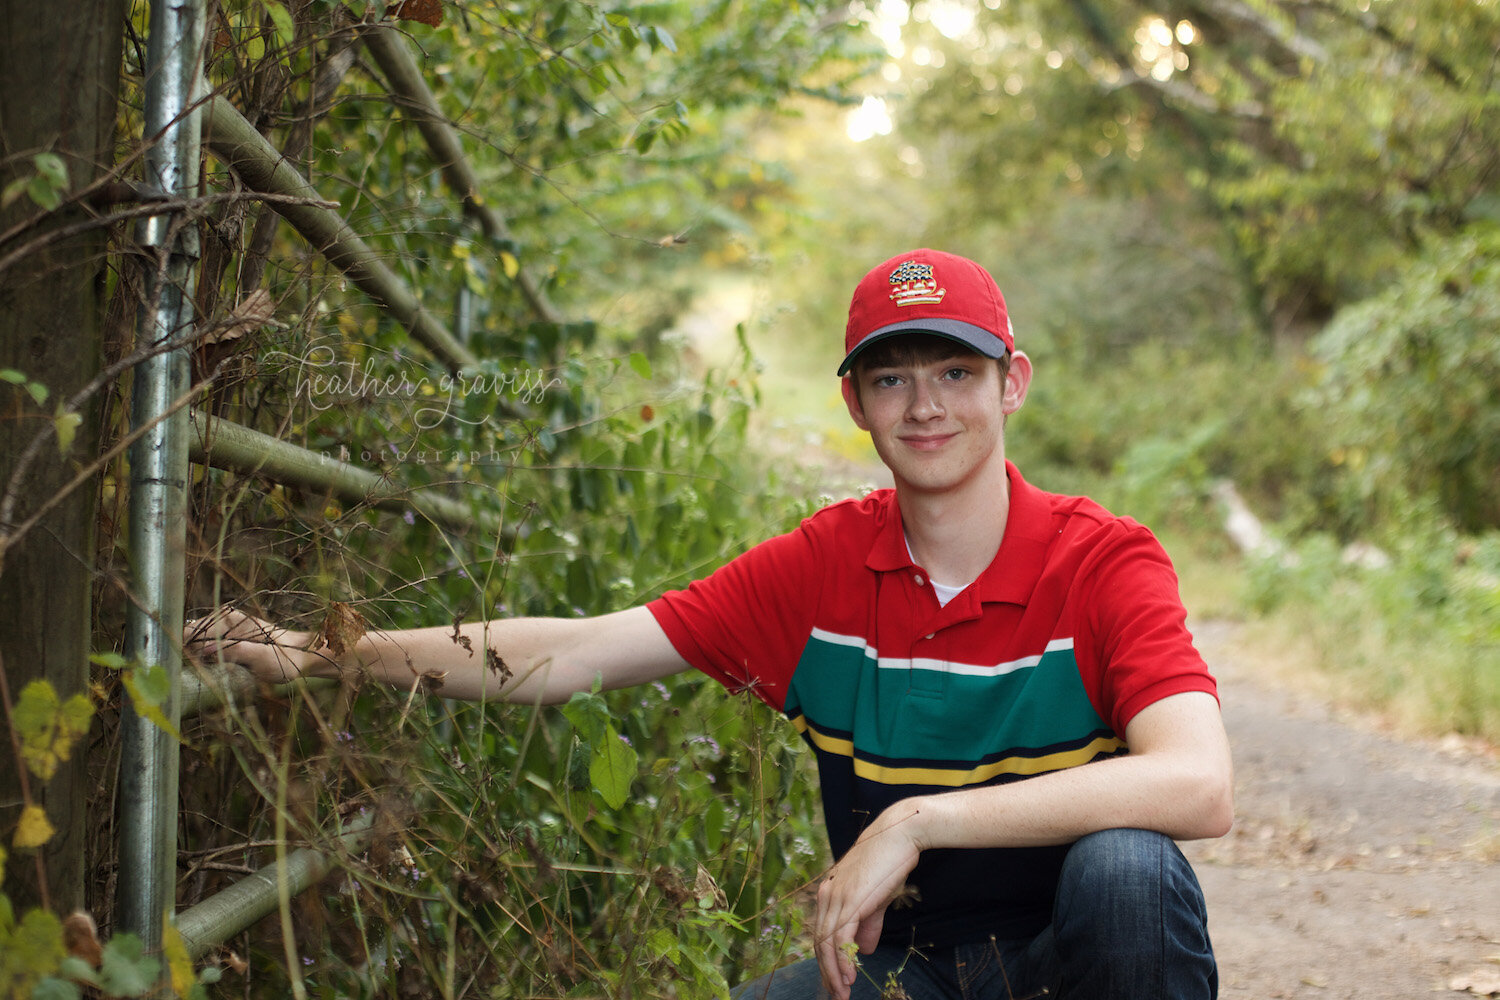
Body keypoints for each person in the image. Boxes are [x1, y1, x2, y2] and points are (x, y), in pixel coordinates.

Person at [192, 248, 1233, 1000]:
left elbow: (1197, 783)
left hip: (1072, 958)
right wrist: (326, 653)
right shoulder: (826, 567)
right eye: (893, 377)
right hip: (898, 970)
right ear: (856, 404)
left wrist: (913, 820)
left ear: (1013, 383)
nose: (926, 405)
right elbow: (578, 649)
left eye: (956, 372)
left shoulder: (1102, 558)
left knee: (1128, 870)